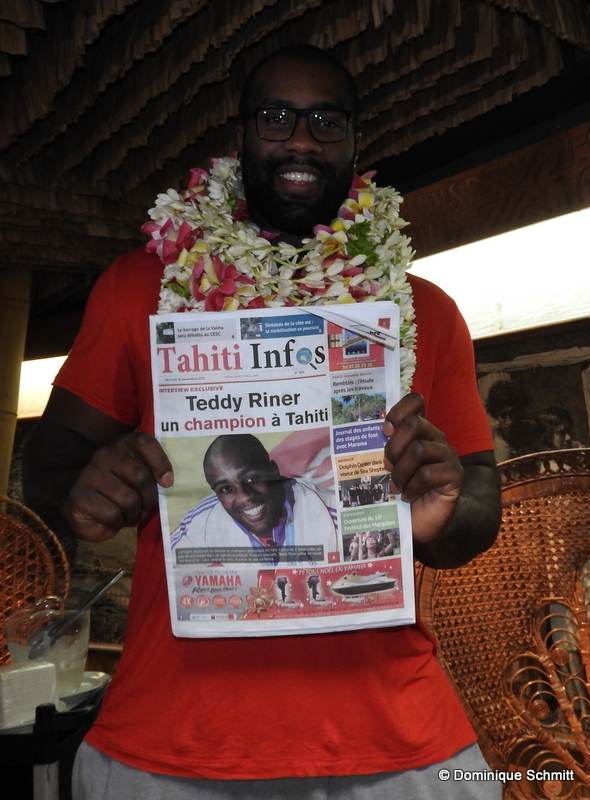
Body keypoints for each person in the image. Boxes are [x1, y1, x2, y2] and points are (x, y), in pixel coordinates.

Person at [22, 44, 502, 799]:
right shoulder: (135, 288)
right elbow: (47, 462)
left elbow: (476, 505)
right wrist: (83, 487)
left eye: (326, 121)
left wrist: (445, 512)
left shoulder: (424, 311)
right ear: (239, 134)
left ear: (354, 142)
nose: (302, 141)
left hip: (395, 736)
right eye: (276, 118)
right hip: (173, 739)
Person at [171, 433, 338, 556]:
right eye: (226, 489)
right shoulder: (204, 519)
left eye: (251, 479)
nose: (245, 497)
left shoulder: (332, 517)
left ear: (274, 471)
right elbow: (169, 572)